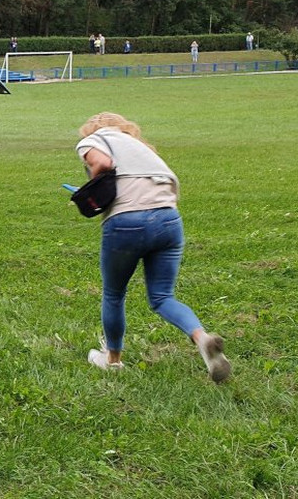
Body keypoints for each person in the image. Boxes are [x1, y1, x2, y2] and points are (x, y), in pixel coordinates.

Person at [75, 112, 231, 383]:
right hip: (169, 220)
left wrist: (92, 185)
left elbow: (101, 163)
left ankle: (112, 361)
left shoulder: (94, 140)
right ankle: (202, 338)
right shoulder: (142, 149)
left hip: (126, 223)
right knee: (162, 297)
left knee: (114, 294)